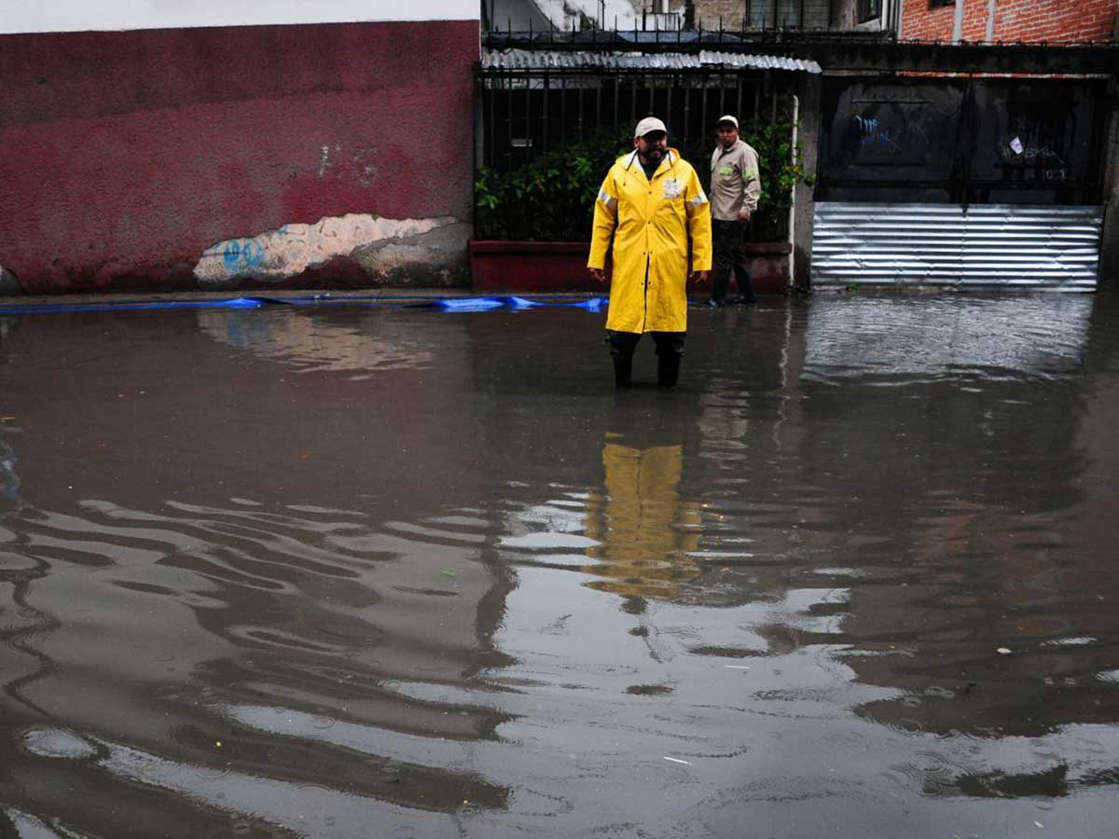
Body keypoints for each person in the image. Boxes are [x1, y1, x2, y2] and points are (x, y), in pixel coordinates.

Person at [587, 117, 712, 388]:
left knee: (670, 339)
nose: (657, 144)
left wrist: (702, 261)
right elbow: (603, 216)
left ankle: (667, 396)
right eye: (650, 138)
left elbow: (700, 218)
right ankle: (623, 390)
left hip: (668, 265)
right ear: (637, 142)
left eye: (661, 138)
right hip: (630, 264)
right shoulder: (618, 172)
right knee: (621, 337)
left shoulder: (684, 172)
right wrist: (597, 258)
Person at [709, 115, 761, 306]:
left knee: (724, 257)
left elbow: (753, 182)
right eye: (722, 131)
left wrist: (747, 208)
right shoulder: (718, 151)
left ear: (736, 132)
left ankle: (717, 298)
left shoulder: (745, 153)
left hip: (734, 216)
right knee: (737, 257)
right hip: (719, 213)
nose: (725, 135)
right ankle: (748, 296)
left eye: (729, 131)